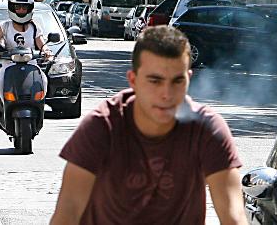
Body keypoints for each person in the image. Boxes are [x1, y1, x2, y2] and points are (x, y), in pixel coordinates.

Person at [50, 26, 245, 225]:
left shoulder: (207, 129)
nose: (166, 94)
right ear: (133, 80)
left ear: (189, 78)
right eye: (155, 81)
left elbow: (233, 216)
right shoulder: (103, 126)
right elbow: (68, 212)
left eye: (177, 81)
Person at [0, 0, 50, 98]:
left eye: (24, 7)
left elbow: (42, 45)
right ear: (12, 8)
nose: (21, 10)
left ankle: (38, 107)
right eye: (17, 7)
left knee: (44, 81)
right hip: (9, 65)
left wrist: (47, 52)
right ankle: (4, 106)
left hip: (31, 64)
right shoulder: (4, 26)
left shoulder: (35, 27)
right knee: (0, 81)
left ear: (30, 9)